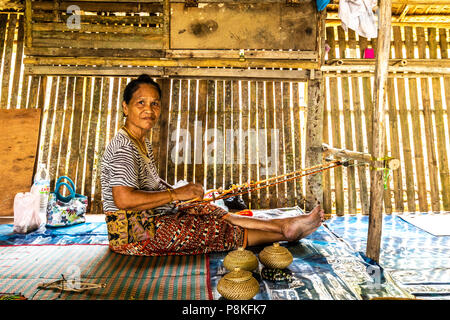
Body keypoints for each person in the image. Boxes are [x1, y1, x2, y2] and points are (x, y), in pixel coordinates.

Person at [100, 74, 324, 256]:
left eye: (154, 103)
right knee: (213, 228)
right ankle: (284, 232)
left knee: (207, 209)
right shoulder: (123, 147)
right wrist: (175, 194)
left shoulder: (140, 141)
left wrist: (182, 193)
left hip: (149, 218)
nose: (149, 110)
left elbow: (151, 184)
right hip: (133, 234)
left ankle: (284, 223)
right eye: (141, 103)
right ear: (126, 107)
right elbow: (124, 199)